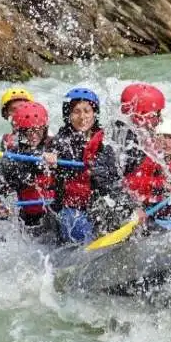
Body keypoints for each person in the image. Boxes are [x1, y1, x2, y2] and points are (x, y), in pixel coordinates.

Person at [44, 88, 129, 243]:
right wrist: (51, 160)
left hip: (99, 203)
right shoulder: (60, 142)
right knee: (77, 229)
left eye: (87, 111)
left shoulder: (106, 140)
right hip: (71, 208)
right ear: (68, 115)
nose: (82, 117)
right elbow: (53, 157)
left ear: (94, 114)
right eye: (76, 112)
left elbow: (114, 175)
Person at [0, 101, 57, 240]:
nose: (34, 136)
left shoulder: (58, 147)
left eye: (38, 131)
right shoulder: (11, 160)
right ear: (19, 132)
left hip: (56, 214)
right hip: (29, 221)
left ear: (45, 129)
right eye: (28, 132)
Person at [0, 88, 34, 152]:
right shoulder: (7, 141)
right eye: (14, 109)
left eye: (23, 107)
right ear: (6, 114)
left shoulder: (44, 135)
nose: (19, 113)